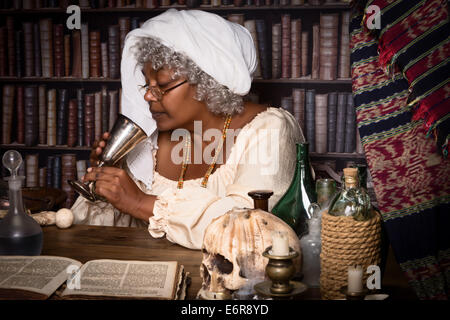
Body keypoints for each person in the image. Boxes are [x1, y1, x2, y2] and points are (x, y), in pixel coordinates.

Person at [71, 9, 305, 250]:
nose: (149, 95)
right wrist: (106, 184)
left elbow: (250, 231)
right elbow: (102, 232)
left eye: (163, 85)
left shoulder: (269, 130)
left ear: (208, 82)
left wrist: (141, 202)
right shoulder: (148, 141)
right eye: (146, 83)